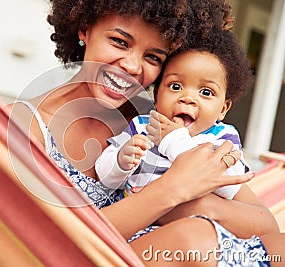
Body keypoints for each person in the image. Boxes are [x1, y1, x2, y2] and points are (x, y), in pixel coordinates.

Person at [9, 0, 285, 266]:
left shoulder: (156, 120)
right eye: (119, 41)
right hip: (105, 255)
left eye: (153, 57)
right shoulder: (22, 125)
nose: (131, 66)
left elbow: (264, 223)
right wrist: (171, 190)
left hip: (195, 254)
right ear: (85, 28)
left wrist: (194, 205)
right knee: (192, 241)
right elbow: (51, 243)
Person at [95, 29, 252, 202]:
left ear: (223, 108)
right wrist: (120, 163)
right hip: (134, 221)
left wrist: (174, 141)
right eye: (175, 86)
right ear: (156, 96)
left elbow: (229, 187)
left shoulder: (223, 137)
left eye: (206, 92)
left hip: (190, 223)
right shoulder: (141, 126)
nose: (188, 98)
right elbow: (105, 178)